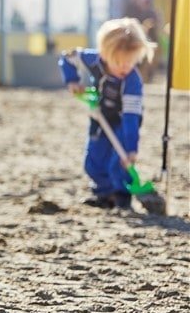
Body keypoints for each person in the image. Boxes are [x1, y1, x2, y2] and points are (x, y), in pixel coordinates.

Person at [58, 18, 154, 210]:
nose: (125, 68)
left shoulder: (132, 81)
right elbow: (67, 59)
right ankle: (104, 195)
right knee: (93, 159)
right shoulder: (93, 58)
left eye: (131, 62)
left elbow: (131, 118)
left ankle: (122, 197)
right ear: (105, 53)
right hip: (99, 115)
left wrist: (131, 148)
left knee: (119, 161)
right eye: (120, 63)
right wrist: (72, 81)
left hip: (124, 121)